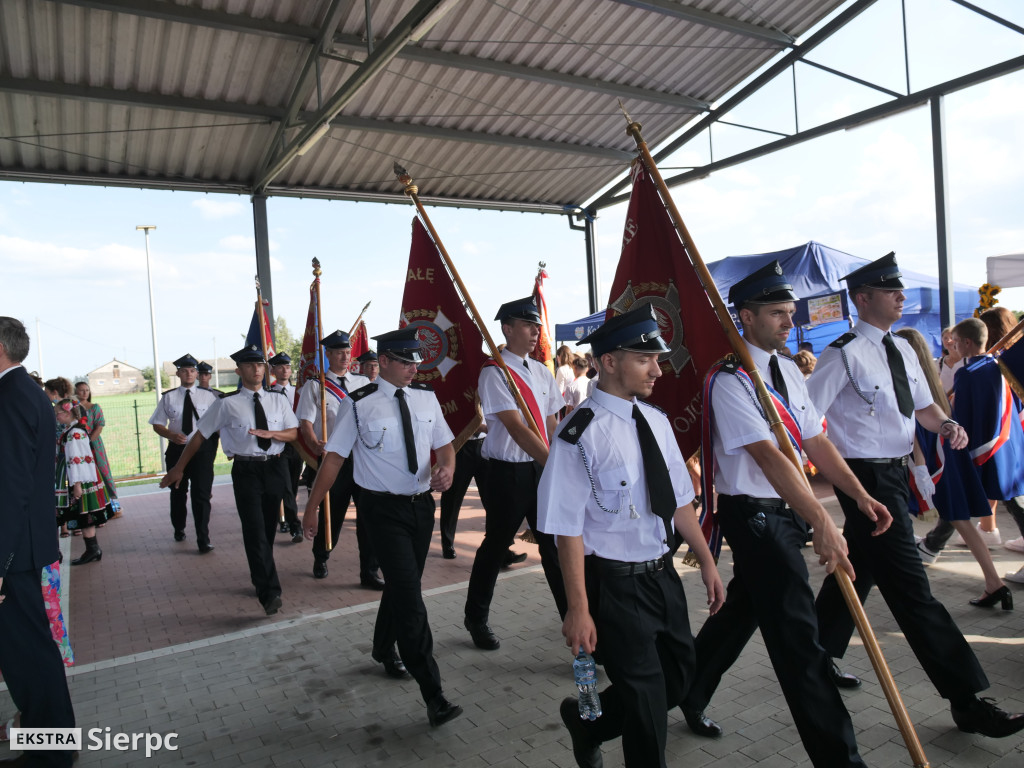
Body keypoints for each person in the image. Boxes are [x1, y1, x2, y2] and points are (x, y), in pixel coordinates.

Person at [678, 261, 885, 768]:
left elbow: (814, 439)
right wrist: (821, 520)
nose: (789, 323)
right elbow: (769, 457)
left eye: (790, 313)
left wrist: (857, 494)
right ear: (744, 317)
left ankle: (679, 691)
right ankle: (842, 759)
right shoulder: (730, 379)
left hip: (786, 512)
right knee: (800, 643)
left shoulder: (788, 369)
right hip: (756, 516)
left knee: (739, 617)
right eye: (777, 313)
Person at [808, 252, 1024, 738]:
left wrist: (946, 425)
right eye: (891, 291)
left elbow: (924, 408)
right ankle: (966, 700)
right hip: (862, 479)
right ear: (863, 299)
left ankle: (816, 655)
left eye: (899, 289)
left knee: (858, 568)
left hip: (895, 472)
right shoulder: (841, 353)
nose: (901, 297)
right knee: (914, 594)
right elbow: (806, 421)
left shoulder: (904, 350)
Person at [537, 305, 724, 768]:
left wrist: (707, 561)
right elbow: (567, 530)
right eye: (645, 359)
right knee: (645, 707)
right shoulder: (578, 434)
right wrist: (577, 609)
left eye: (657, 358)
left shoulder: (656, 420)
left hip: (661, 576)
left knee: (678, 680)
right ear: (608, 362)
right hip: (616, 587)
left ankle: (589, 725)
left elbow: (680, 500)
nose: (658, 369)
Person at [302, 327, 462, 726]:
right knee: (410, 599)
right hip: (381, 512)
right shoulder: (359, 404)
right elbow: (334, 459)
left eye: (416, 361)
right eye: (405, 361)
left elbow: (444, 446)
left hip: (420, 508)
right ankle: (434, 693)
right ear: (384, 361)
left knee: (402, 586)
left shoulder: (426, 398)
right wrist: (312, 507)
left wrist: (448, 469)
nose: (413, 368)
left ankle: (381, 647)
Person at [161, 345, 298, 615]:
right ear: (239, 370)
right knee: (255, 530)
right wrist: (178, 468)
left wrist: (273, 435)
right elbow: (199, 436)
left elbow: (292, 433)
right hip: (246, 471)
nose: (256, 369)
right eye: (249, 365)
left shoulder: (278, 400)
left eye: (260, 365)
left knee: (268, 530)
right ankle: (270, 592)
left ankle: (260, 575)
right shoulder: (226, 403)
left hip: (274, 468)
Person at [464, 296, 568, 651]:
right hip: (507, 474)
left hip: (541, 470)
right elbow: (516, 428)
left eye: (536, 325)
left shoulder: (541, 371)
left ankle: (576, 623)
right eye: (527, 325)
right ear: (507, 329)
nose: (535, 331)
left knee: (554, 547)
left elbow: (552, 423)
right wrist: (554, 463)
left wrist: (559, 461)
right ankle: (476, 617)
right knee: (496, 545)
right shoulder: (494, 371)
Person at [0, 316, 76, 768]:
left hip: (16, 552)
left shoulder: (9, 396)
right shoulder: (25, 392)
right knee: (32, 650)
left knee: (27, 654)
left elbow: (10, 487)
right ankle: (51, 745)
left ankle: (49, 755)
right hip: (25, 547)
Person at [895, 327, 1007, 605]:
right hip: (946, 456)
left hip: (929, 460)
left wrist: (920, 467)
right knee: (961, 521)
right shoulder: (930, 378)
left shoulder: (907, 379)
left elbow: (913, 430)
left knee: (893, 522)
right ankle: (995, 583)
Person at [295, 330, 382, 587]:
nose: (345, 357)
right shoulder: (316, 385)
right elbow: (305, 424)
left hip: (363, 459)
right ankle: (321, 556)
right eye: (339, 352)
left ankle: (370, 571)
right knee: (333, 513)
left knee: (368, 517)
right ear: (328, 354)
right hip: (334, 459)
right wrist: (314, 445)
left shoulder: (363, 383)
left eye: (347, 352)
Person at [948, 317, 1024, 586]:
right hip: (1009, 446)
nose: (953, 346)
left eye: (956, 342)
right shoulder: (998, 365)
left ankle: (932, 545)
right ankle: (934, 543)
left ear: (967, 343)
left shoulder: (967, 374)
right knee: (1010, 500)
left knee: (958, 499)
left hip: (986, 449)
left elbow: (961, 419)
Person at [149, 354, 221, 552]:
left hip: (202, 450)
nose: (188, 374)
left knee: (202, 494)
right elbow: (157, 424)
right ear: (178, 373)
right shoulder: (169, 397)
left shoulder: (210, 396)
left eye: (192, 370)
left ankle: (203, 538)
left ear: (197, 374)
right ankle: (179, 528)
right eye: (184, 370)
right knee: (179, 491)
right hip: (177, 449)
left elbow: (218, 424)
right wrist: (170, 435)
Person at [54, 398, 116, 565]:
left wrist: (77, 485)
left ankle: (90, 549)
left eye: (58, 413)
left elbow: (78, 459)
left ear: (67, 413)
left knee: (80, 512)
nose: (56, 417)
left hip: (78, 479)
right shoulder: (72, 430)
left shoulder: (75, 433)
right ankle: (92, 549)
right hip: (76, 478)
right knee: (84, 513)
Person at [269, 352, 303, 543]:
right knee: (285, 488)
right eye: (280, 367)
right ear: (273, 371)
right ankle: (293, 526)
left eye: (288, 367)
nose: (285, 370)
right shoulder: (268, 393)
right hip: (278, 444)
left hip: (296, 444)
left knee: (293, 485)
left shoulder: (298, 391)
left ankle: (288, 519)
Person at [74, 380, 121, 518]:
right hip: (77, 445)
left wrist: (88, 442)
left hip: (93, 444)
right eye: (81, 390)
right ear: (75, 392)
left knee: (102, 471)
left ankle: (111, 504)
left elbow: (99, 426)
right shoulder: (72, 408)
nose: (84, 393)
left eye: (87, 390)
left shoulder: (95, 407)